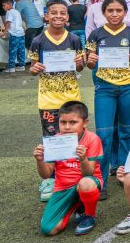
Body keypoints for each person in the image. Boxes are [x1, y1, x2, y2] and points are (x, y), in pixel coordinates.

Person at [85, 0, 130, 198]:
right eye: (110, 10)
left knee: (127, 131)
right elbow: (90, 64)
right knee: (104, 135)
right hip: (105, 88)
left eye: (119, 10)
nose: (115, 14)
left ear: (125, 12)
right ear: (104, 12)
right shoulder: (96, 34)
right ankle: (100, 180)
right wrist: (90, 60)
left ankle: (125, 174)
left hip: (129, 86)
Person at [29, 0, 85, 201]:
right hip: (48, 101)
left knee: (74, 139)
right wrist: (33, 69)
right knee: (52, 141)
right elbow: (33, 68)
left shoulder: (74, 40)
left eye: (63, 13)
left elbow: (80, 67)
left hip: (71, 99)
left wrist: (80, 63)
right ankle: (52, 178)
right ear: (47, 15)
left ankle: (72, 175)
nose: (58, 16)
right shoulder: (38, 41)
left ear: (68, 18)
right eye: (54, 13)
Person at [33, 101, 103, 236]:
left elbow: (89, 173)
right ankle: (75, 205)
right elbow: (46, 175)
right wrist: (40, 160)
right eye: (63, 122)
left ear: (85, 122)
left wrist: (83, 159)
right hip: (62, 188)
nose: (67, 127)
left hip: (86, 182)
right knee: (48, 229)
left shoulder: (92, 139)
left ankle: (89, 215)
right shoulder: (54, 141)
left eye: (73, 122)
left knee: (86, 183)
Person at [1, 0, 26, 72]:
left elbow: (8, 23)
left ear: (9, 5)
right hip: (21, 33)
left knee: (13, 50)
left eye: (4, 5)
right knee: (21, 50)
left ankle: (11, 67)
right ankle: (22, 66)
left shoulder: (9, 12)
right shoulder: (16, 11)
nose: (3, 7)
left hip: (14, 34)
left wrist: (4, 33)